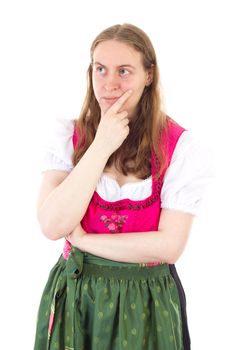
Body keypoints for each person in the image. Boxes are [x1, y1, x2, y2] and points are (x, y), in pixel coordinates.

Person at [34, 23, 213, 350]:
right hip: (77, 295)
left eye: (124, 71)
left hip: (146, 298)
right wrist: (101, 145)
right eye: (100, 69)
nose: (110, 84)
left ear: (149, 76)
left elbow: (169, 246)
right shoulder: (68, 137)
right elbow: (51, 224)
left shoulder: (179, 148)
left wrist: (85, 240)